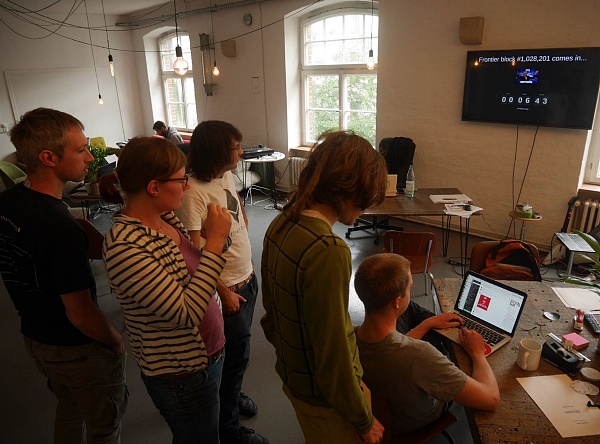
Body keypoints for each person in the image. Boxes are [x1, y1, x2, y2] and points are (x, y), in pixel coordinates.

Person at [0, 107, 128, 443]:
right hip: (77, 350)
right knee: (104, 428)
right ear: (48, 157)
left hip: (36, 338)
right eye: (80, 149)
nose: (90, 157)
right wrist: (114, 340)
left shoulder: (8, 203)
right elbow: (80, 312)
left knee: (69, 409)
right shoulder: (60, 227)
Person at [99, 137, 232, 444]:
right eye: (181, 179)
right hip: (182, 374)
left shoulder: (166, 219)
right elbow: (185, 313)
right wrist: (214, 245)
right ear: (154, 187)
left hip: (208, 356)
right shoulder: (125, 246)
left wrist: (218, 238)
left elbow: (195, 269)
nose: (187, 186)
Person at [261, 130, 387, 444]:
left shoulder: (282, 221)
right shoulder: (328, 250)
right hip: (326, 400)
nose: (364, 209)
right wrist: (363, 419)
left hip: (294, 376)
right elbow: (333, 355)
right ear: (345, 189)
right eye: (363, 198)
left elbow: (271, 312)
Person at [175, 120, 268, 444]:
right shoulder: (192, 194)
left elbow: (236, 207)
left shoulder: (225, 176)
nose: (240, 152)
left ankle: (233, 393)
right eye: (235, 148)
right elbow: (194, 254)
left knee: (239, 354)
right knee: (232, 357)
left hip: (245, 277)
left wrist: (246, 255)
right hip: (226, 289)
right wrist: (223, 291)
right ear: (217, 152)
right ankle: (228, 428)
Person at [354, 253, 500, 435]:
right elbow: (491, 399)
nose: (411, 292)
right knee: (445, 354)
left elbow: (393, 348)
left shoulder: (350, 336)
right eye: (410, 288)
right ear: (397, 301)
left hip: (384, 412)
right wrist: (477, 353)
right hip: (413, 421)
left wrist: (428, 324)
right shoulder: (420, 355)